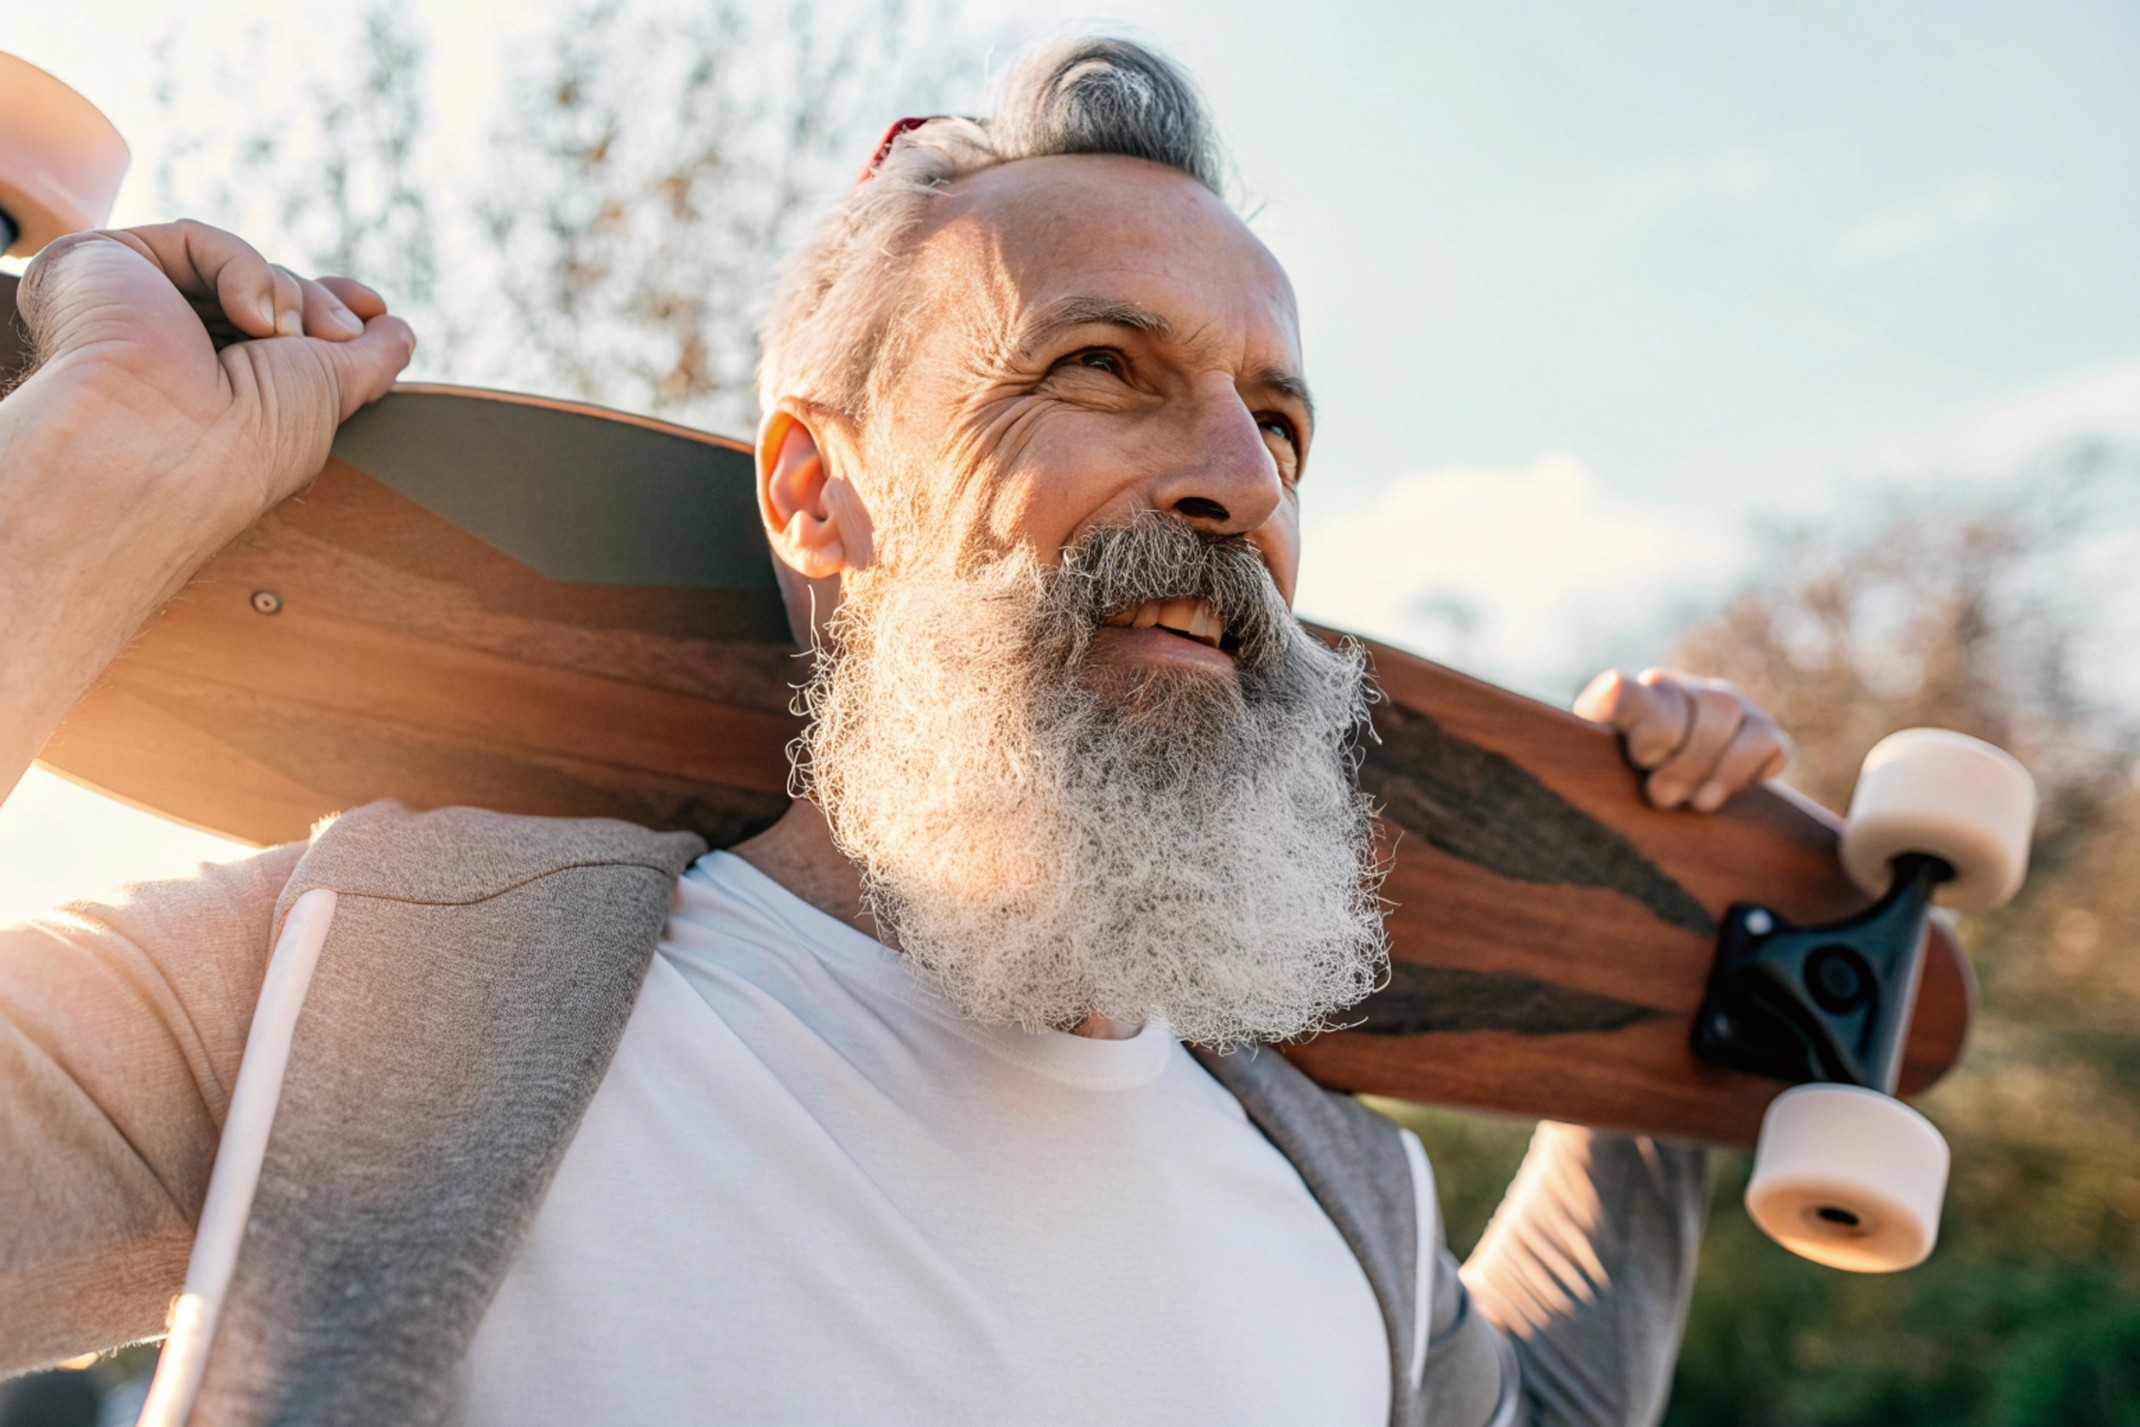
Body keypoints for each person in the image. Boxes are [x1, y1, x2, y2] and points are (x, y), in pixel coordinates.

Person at [0, 37, 1788, 1427]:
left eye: (1281, 423)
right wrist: (85, 478)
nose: (1242, 484)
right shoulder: (395, 987)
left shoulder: (1343, 1198)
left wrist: (1684, 967)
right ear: (818, 493)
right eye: (1102, 366)